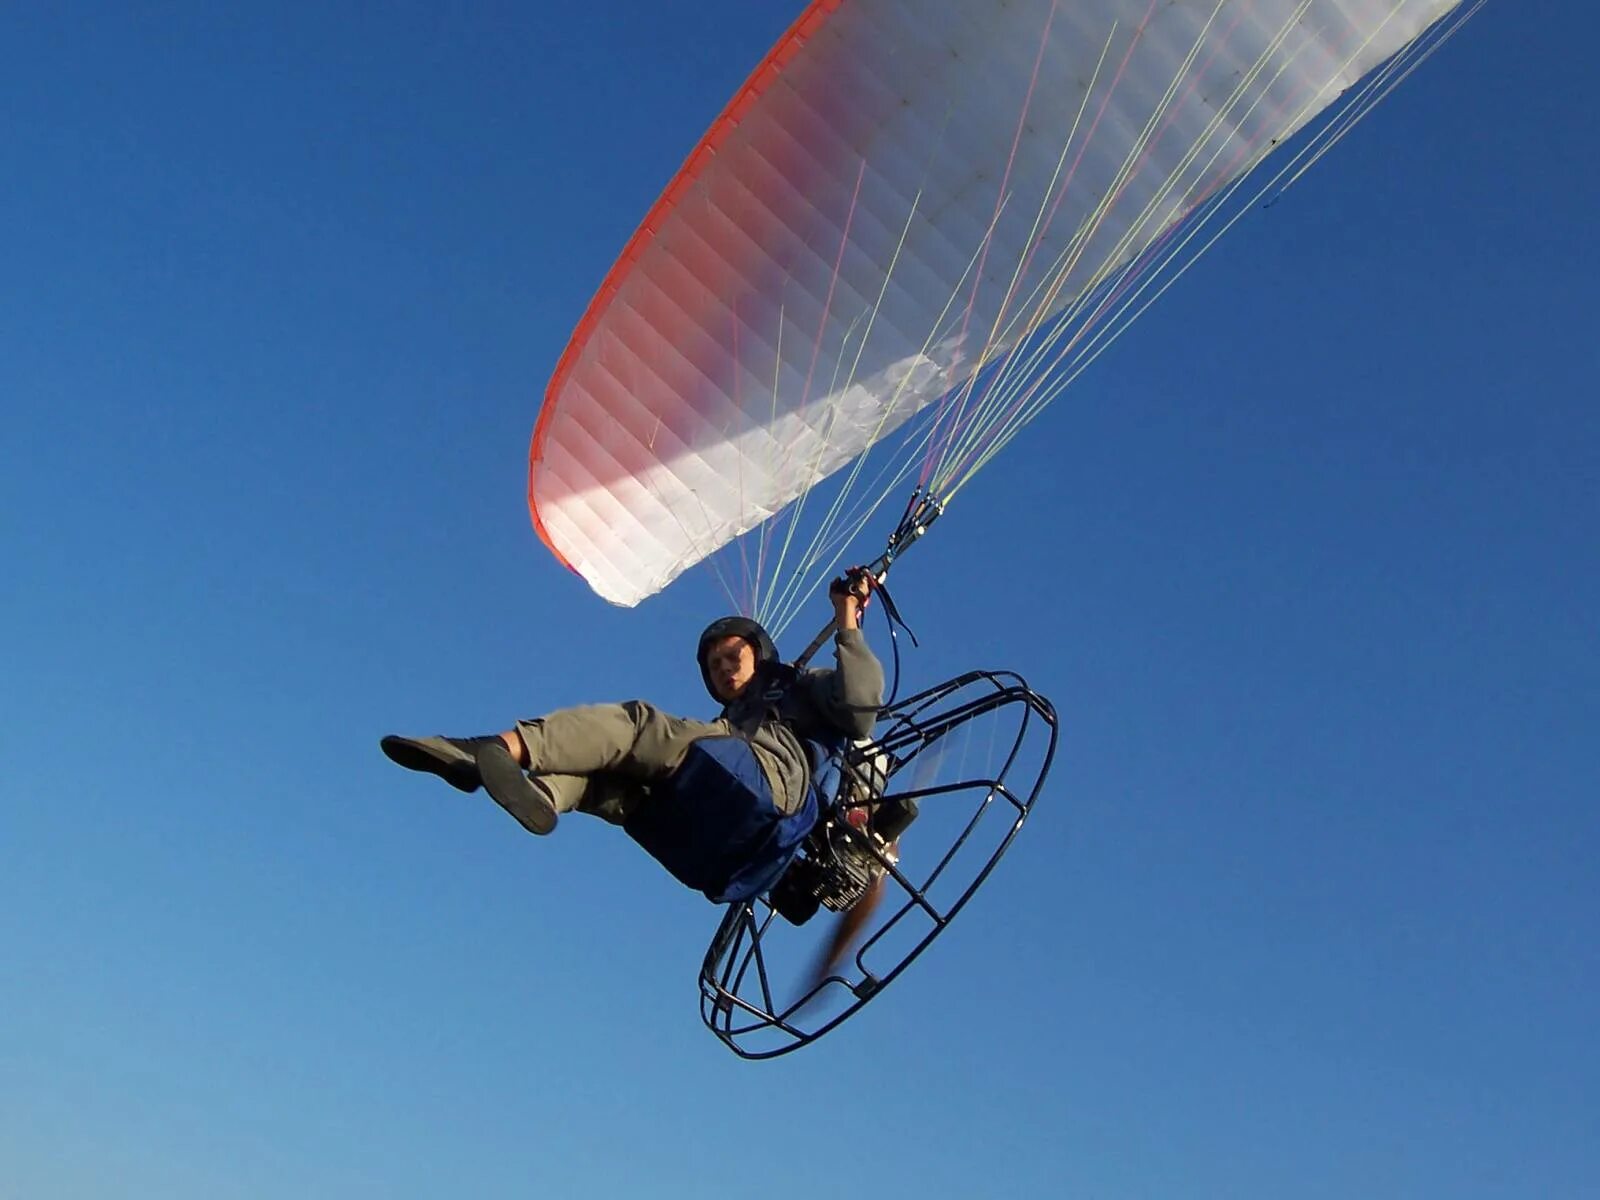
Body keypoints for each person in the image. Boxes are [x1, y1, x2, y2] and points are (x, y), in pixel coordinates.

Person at [380, 572, 884, 904]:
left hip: (767, 789)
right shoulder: (727, 726)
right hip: (710, 848)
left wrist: (848, 619)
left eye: (733, 656)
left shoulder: (797, 687)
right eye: (714, 665)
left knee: (638, 728)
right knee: (606, 776)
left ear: (760, 654)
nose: (724, 668)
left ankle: (492, 749)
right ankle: (541, 795)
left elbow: (861, 711)